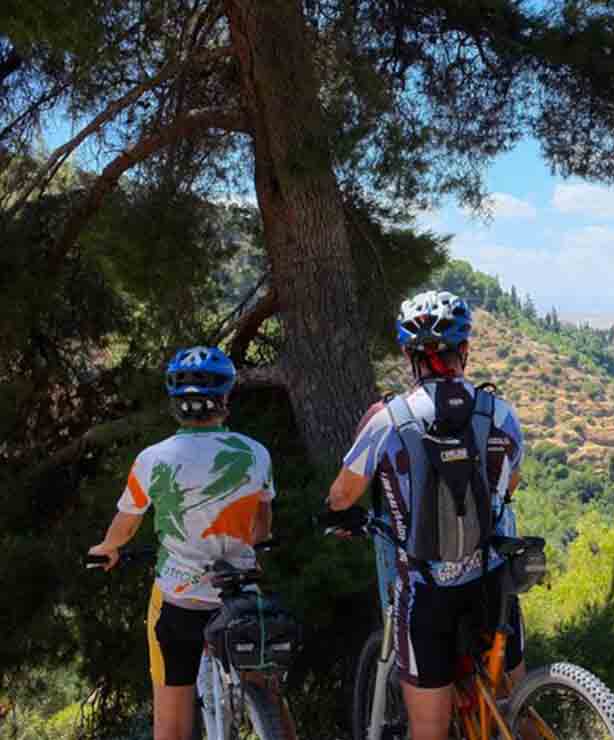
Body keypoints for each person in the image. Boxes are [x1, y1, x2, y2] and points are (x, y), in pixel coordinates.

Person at [327, 290, 526, 740]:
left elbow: (343, 494)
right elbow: (510, 485)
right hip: (492, 579)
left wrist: (337, 511)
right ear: (466, 352)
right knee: (518, 706)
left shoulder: (386, 419)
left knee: (429, 728)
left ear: (408, 355)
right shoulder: (501, 414)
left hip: (426, 591)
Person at [89, 346, 291, 740]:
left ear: (175, 404)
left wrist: (107, 549)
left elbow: (126, 526)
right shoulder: (254, 454)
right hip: (239, 595)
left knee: (171, 722)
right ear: (225, 398)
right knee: (270, 696)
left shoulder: (153, 459)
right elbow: (261, 524)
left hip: (179, 598)